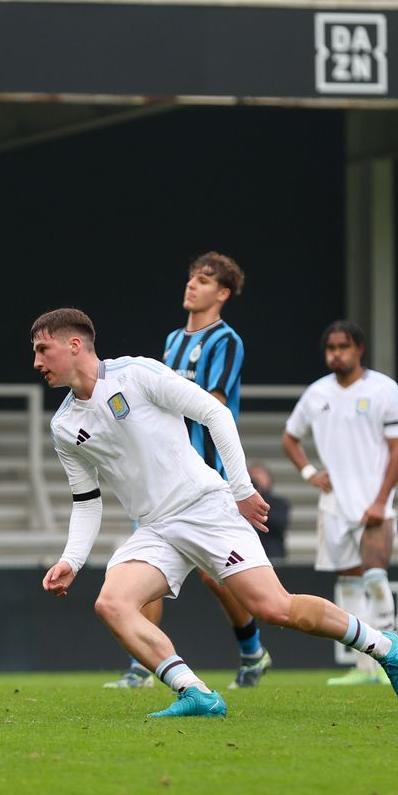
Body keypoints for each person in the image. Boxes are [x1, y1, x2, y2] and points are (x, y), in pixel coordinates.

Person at [31, 308, 398, 717]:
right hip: (156, 528)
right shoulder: (64, 426)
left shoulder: (138, 373)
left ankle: (384, 645)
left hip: (205, 507)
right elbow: (87, 501)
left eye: (43, 349)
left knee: (275, 608)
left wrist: (242, 490)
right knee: (111, 603)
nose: (37, 362)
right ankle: (196, 693)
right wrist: (71, 559)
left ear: (74, 345)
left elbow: (215, 412)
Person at [106, 252, 271, 690]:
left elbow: (213, 403)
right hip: (161, 477)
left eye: (204, 280)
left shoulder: (226, 341)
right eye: (191, 278)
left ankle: (253, 649)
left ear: (223, 293)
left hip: (207, 476)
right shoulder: (172, 341)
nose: (192, 285)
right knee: (142, 562)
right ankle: (140, 668)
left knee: (215, 576)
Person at [282, 320, 398, 687]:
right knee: (350, 584)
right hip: (335, 506)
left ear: (360, 349)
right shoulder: (316, 394)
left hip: (374, 503)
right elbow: (290, 438)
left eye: (343, 347)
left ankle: (395, 660)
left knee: (375, 578)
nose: (336, 354)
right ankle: (364, 667)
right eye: (330, 348)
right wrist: (309, 473)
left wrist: (381, 500)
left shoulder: (384, 390)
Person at [248, 464, 290, 560]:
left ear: (269, 479)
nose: (255, 478)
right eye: (252, 475)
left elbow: (279, 525)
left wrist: (258, 497)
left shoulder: (278, 502)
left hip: (272, 554)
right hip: (249, 554)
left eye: (259, 474)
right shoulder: (240, 504)